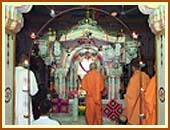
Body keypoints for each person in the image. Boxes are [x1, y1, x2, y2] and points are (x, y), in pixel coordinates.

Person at [124, 59, 150, 125]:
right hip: (145, 110)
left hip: (136, 112)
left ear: (133, 67)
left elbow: (131, 98)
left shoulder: (134, 79)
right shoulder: (146, 77)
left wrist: (126, 113)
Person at [15, 54, 39, 125]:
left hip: (11, 107)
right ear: (25, 61)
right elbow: (34, 91)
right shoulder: (28, 73)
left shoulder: (10, 72)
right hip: (24, 107)